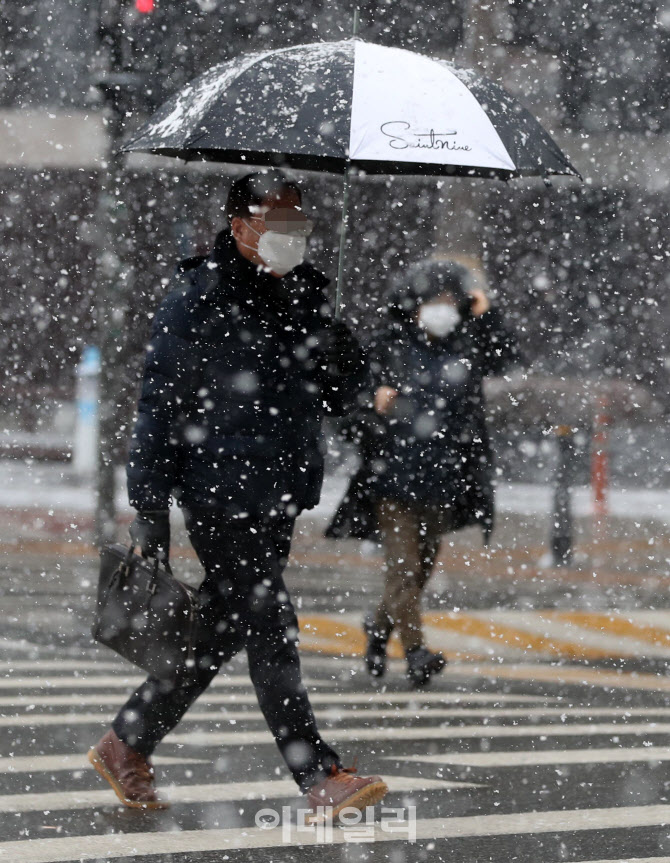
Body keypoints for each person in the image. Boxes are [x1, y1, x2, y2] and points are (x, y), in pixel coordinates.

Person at [88, 170, 388, 818]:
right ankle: (317, 774)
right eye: (276, 221)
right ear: (239, 224)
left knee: (216, 633)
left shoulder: (306, 296)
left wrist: (344, 361)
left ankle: (126, 741)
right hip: (217, 494)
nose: (289, 235)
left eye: (298, 224)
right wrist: (149, 514)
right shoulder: (196, 298)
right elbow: (157, 409)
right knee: (270, 623)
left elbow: (334, 397)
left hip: (278, 494)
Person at [327, 259, 520, 687]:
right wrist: (370, 403)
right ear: (414, 304)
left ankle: (377, 629)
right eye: (435, 300)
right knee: (404, 569)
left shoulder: (465, 346)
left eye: (452, 301)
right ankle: (416, 652)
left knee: (420, 572)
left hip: (444, 481)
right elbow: (346, 403)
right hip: (391, 479)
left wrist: (488, 313)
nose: (443, 309)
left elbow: (507, 357)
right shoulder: (387, 347)